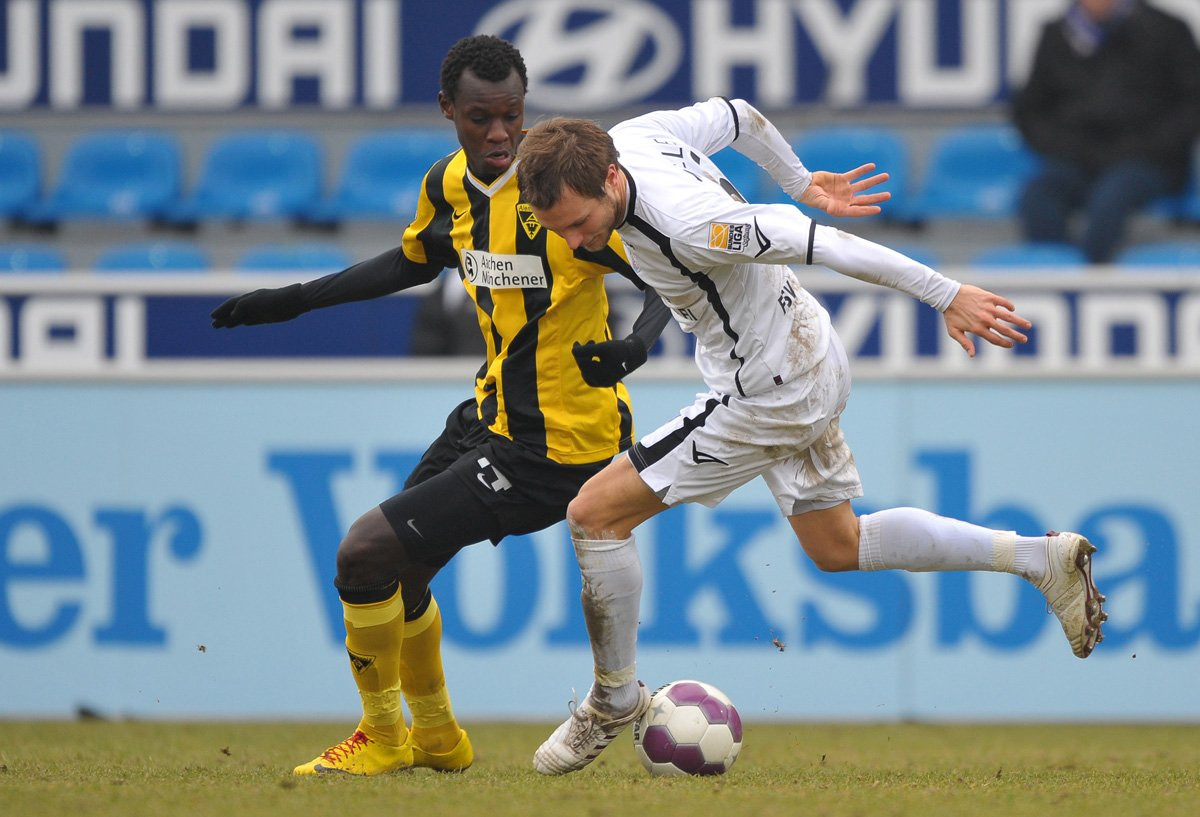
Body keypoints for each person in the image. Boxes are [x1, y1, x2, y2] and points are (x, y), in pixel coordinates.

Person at [209, 37, 883, 777]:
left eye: (512, 116)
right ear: (448, 111)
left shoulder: (560, 197)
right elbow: (413, 259)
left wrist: (634, 346)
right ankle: (435, 738)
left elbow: (667, 274)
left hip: (557, 445)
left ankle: (389, 735)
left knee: (364, 551)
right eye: (481, 119)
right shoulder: (448, 186)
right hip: (489, 416)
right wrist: (295, 300)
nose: (500, 134)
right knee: (393, 571)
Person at [514, 100, 1108, 775]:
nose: (575, 243)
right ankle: (1039, 558)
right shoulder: (635, 136)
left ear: (612, 179)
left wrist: (944, 293)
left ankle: (614, 697)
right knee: (837, 546)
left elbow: (818, 242)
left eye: (579, 224)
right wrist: (799, 178)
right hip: (805, 349)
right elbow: (739, 116)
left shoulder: (689, 224)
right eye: (559, 231)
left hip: (769, 392)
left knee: (594, 515)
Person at [1012, 0, 1200, 264]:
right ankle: (1056, 271)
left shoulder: (1166, 29)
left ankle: (1091, 277)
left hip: (1149, 161)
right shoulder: (1058, 33)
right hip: (1078, 159)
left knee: (1112, 195)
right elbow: (1030, 109)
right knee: (1038, 196)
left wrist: (1146, 147)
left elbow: (1191, 105)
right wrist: (1065, 147)